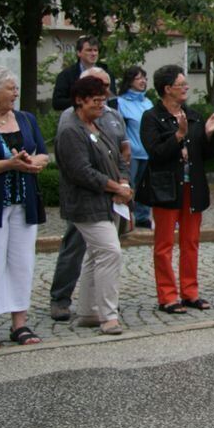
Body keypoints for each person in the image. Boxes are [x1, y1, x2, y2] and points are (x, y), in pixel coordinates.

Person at [139, 65, 214, 314]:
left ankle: (190, 292)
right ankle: (167, 295)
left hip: (193, 186)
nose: (186, 88)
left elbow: (208, 156)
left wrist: (209, 135)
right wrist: (178, 136)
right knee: (164, 244)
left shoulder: (195, 115)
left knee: (191, 242)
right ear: (167, 89)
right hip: (166, 187)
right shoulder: (152, 117)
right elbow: (155, 153)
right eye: (181, 84)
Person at [48, 66, 130, 322]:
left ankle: (87, 312)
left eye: (104, 99)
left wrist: (123, 182)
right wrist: (115, 186)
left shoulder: (97, 123)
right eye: (96, 101)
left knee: (96, 255)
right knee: (109, 252)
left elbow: (119, 153)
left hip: (106, 201)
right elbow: (80, 171)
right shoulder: (71, 128)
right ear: (80, 100)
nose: (101, 105)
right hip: (85, 203)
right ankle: (108, 315)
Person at [0, 66, 49, 350]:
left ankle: (19, 322)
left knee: (22, 263)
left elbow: (43, 154)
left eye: (16, 87)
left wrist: (33, 164)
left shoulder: (26, 119)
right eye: (11, 88)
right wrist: (8, 164)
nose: (16, 93)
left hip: (25, 203)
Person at [117, 65, 153, 229]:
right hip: (132, 153)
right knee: (128, 186)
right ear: (130, 81)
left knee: (145, 187)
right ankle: (124, 217)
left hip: (148, 151)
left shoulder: (148, 102)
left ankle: (143, 216)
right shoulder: (120, 102)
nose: (143, 81)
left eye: (144, 78)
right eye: (139, 78)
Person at [51, 35, 117, 110]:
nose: (93, 54)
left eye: (95, 50)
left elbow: (112, 99)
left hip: (104, 116)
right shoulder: (67, 75)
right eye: (89, 50)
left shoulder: (106, 73)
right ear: (79, 53)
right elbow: (57, 103)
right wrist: (83, 101)